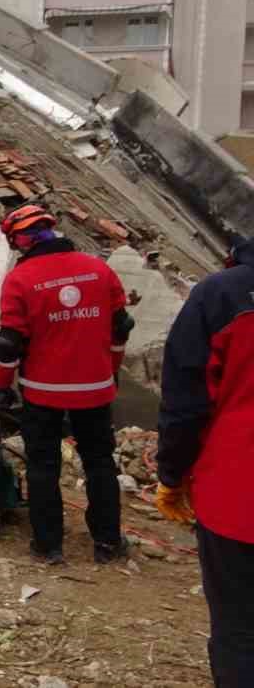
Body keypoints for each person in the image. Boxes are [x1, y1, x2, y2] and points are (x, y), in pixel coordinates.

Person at [0, 204, 133, 565]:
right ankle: (107, 543)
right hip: (96, 388)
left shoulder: (21, 279)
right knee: (100, 463)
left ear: (20, 240)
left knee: (43, 466)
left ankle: (48, 545)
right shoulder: (99, 270)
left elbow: (8, 344)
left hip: (42, 391)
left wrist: (1, 386)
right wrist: (111, 370)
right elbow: (120, 328)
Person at [155, 235, 254, 686]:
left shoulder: (222, 294)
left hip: (238, 499)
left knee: (239, 630)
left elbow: (187, 406)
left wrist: (171, 476)